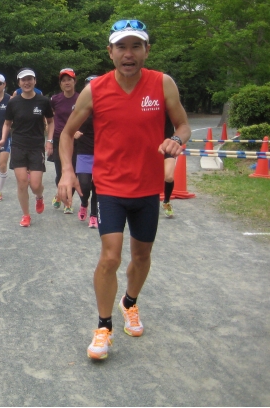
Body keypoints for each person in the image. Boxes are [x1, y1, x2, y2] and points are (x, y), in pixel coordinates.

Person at [57, 19, 190, 361]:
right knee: (111, 256)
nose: (128, 54)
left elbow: (184, 125)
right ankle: (104, 327)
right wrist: (67, 172)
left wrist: (176, 140)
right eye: (121, 47)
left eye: (136, 46)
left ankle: (130, 302)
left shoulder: (162, 84)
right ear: (110, 52)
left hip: (147, 188)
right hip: (111, 187)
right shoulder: (95, 89)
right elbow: (66, 133)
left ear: (146, 50)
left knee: (142, 256)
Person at [0, 68, 54, 227]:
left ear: (35, 81)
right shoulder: (13, 102)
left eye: (30, 79)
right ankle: (26, 215)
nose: (27, 82)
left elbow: (51, 121)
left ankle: (39, 196)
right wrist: (2, 139)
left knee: (35, 185)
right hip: (18, 146)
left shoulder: (43, 101)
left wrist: (49, 141)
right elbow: (7, 123)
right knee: (22, 182)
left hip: (36, 147)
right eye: (23, 80)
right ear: (19, 83)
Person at [50, 68, 79, 213]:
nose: (67, 83)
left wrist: (79, 131)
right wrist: (49, 139)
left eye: (69, 80)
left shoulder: (81, 98)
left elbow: (87, 118)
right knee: (60, 173)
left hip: (77, 141)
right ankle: (60, 195)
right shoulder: (55, 100)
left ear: (75, 81)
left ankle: (67, 202)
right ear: (60, 84)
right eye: (64, 80)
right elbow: (48, 117)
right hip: (58, 140)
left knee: (72, 171)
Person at [74, 76, 99, 228]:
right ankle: (84, 202)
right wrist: (74, 132)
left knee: (97, 186)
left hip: (101, 151)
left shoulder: (107, 106)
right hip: (83, 150)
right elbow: (69, 126)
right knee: (84, 184)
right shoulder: (79, 106)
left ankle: (94, 215)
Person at [162, 114, 176, 218]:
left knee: (169, 176)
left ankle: (166, 202)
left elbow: (182, 125)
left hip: (168, 144)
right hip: (150, 144)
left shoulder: (171, 105)